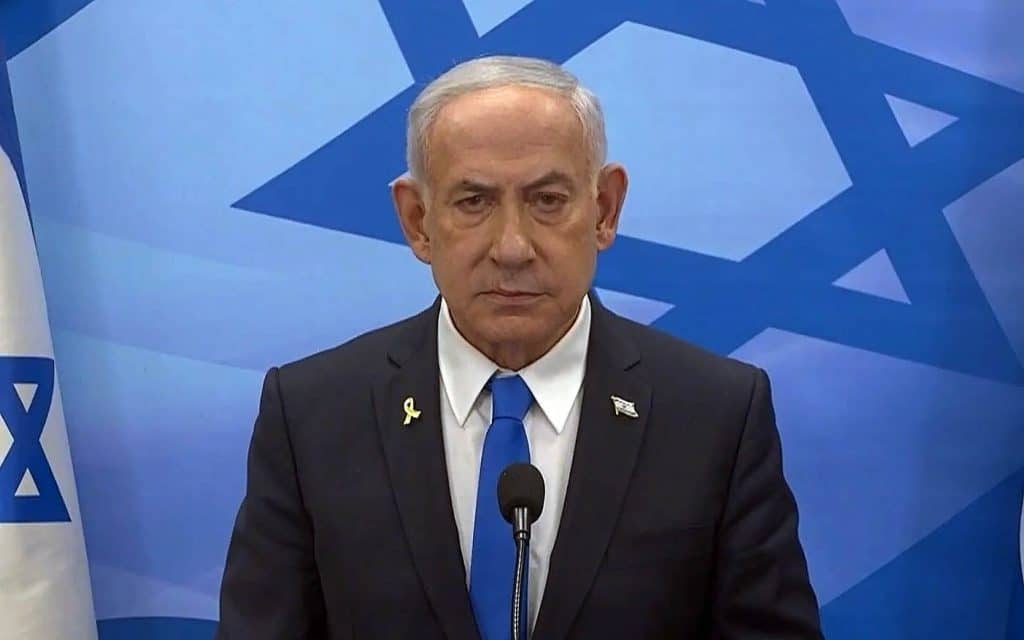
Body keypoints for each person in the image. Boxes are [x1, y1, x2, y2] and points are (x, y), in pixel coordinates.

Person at [216, 55, 822, 639]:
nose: (512, 247)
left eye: (547, 200)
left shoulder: (714, 415)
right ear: (417, 220)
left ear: (604, 210)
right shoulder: (313, 414)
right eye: (473, 202)